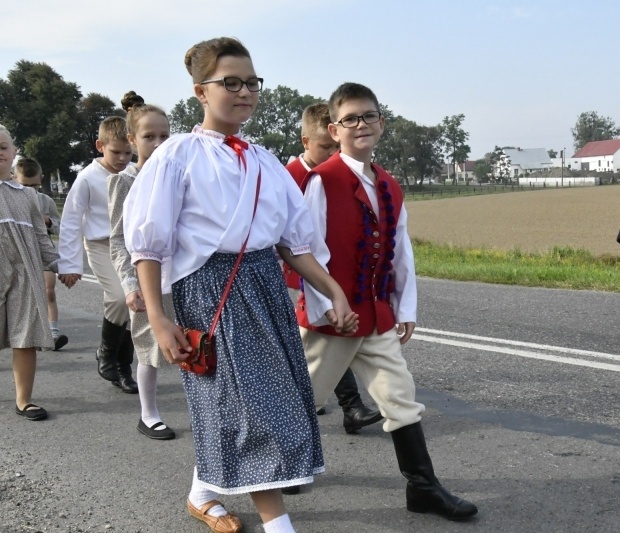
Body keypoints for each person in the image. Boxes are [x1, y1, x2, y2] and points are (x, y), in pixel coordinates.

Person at [124, 37, 357, 533]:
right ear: (200, 92)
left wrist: (332, 290)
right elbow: (149, 245)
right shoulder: (177, 156)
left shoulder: (265, 161)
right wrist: (160, 317)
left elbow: (293, 245)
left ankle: (202, 489)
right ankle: (278, 525)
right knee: (251, 408)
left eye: (252, 82)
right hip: (209, 294)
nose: (245, 91)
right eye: (230, 82)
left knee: (250, 400)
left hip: (265, 288)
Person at [296, 82, 479, 521]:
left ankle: (423, 487)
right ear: (334, 129)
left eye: (369, 116)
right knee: (301, 399)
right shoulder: (322, 181)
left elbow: (400, 248)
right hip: (333, 319)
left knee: (399, 396)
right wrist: (326, 308)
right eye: (350, 118)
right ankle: (249, 473)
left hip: (376, 314)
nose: (361, 124)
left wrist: (405, 307)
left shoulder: (389, 184)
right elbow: (307, 249)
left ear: (381, 123)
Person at [284, 102, 381, 435]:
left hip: (330, 278)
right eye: (325, 147)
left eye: (334, 146)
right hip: (295, 277)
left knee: (339, 341)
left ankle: (351, 407)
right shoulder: (289, 178)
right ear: (306, 141)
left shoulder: (339, 176)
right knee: (313, 351)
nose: (331, 153)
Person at [108, 91, 176, 439]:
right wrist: (130, 284)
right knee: (149, 346)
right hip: (146, 278)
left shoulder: (177, 175)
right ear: (132, 140)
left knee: (192, 344)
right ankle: (148, 413)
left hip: (181, 275)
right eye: (149, 136)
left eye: (164, 135)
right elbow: (118, 238)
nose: (158, 142)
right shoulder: (124, 181)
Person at [58, 116, 138, 393]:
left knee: (135, 303)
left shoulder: (134, 174)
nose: (122, 158)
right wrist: (69, 264)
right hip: (101, 245)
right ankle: (106, 354)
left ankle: (124, 367)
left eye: (128, 152)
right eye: (116, 152)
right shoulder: (88, 178)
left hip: (132, 248)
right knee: (119, 297)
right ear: (100, 146)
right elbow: (70, 220)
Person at [0, 125, 60, 421]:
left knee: (24, 338)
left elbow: (40, 238)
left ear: (13, 153)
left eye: (3, 147)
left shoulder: (27, 197)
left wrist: (62, 266)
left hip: (24, 275)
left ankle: (24, 400)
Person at [14, 158, 68, 351]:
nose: (30, 191)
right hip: (19, 254)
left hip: (43, 251)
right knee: (21, 295)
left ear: (41, 180)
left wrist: (48, 221)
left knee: (48, 290)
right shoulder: (8, 199)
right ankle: (28, 333)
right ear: (14, 178)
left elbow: (60, 227)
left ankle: (53, 334)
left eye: (35, 186)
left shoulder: (46, 201)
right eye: (24, 186)